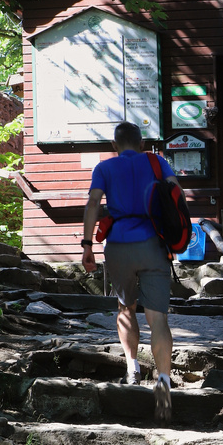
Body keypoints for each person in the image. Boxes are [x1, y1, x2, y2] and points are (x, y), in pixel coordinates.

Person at [81, 121, 181, 423]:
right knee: (157, 317)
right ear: (141, 144)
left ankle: (132, 369)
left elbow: (93, 203)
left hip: (119, 245)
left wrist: (87, 245)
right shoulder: (158, 162)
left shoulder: (105, 168)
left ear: (115, 145)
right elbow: (177, 194)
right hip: (153, 243)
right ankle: (163, 382)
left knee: (125, 308)